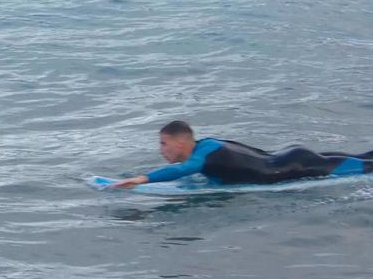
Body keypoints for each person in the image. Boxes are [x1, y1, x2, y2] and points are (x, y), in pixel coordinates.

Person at [110, 120, 373, 189]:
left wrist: (140, 179)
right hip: (290, 156)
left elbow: (183, 170)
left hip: (296, 166)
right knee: (364, 156)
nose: (161, 150)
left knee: (366, 168)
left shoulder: (203, 157)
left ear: (181, 143)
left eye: (164, 144)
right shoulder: (208, 145)